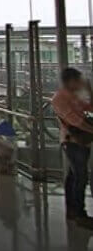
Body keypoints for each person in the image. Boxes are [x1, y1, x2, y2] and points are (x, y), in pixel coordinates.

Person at [52, 67, 93, 227]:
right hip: (72, 141)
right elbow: (76, 121)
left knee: (73, 176)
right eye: (78, 81)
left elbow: (89, 109)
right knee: (80, 176)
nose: (80, 84)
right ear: (70, 81)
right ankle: (79, 214)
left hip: (80, 142)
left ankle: (72, 211)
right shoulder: (60, 98)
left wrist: (90, 92)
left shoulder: (74, 96)